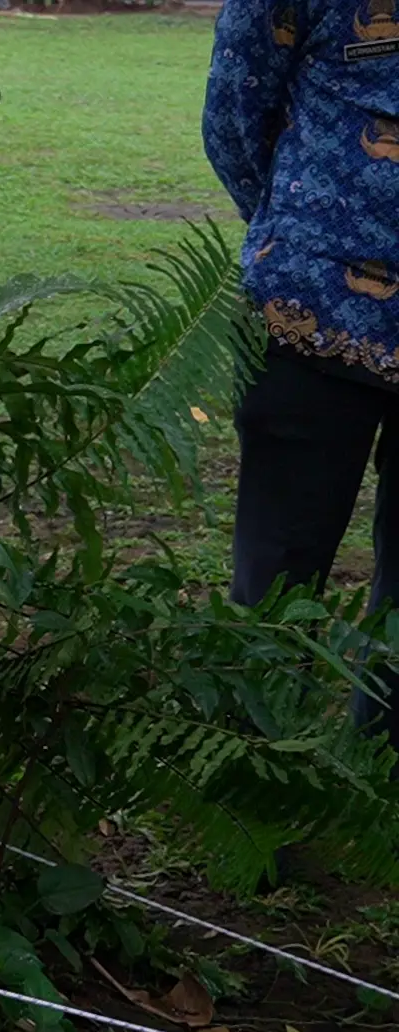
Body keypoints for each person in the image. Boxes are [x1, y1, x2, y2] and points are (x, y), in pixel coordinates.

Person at [204, 2, 399, 743]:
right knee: (279, 573)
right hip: (312, 319)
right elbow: (233, 112)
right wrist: (309, 237)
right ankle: (251, 801)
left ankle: (378, 802)